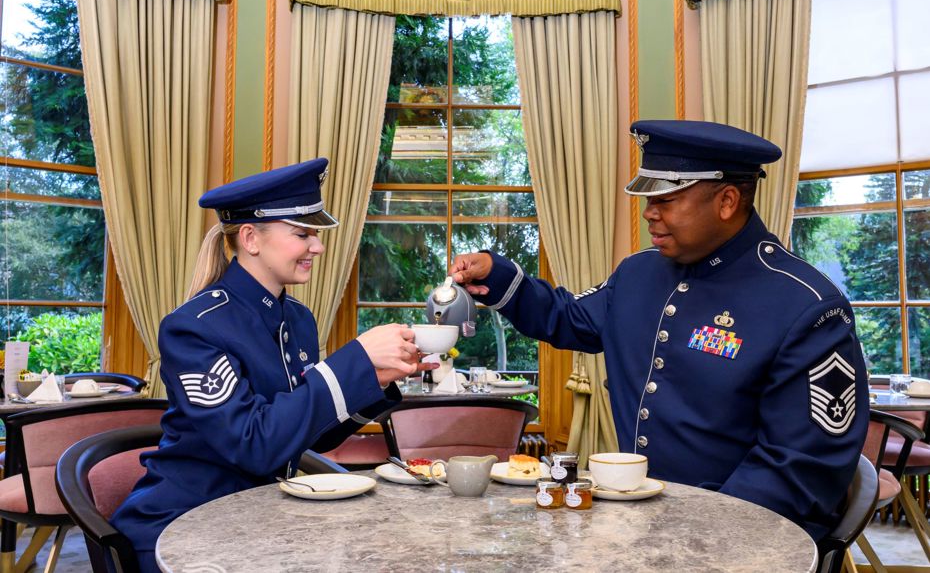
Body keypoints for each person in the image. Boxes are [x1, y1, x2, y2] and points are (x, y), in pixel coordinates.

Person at [450, 120, 868, 540]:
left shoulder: (807, 305)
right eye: (650, 197)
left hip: (745, 537)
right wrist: (499, 276)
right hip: (641, 528)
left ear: (726, 201)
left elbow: (798, 467)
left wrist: (698, 536)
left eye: (667, 199)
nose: (650, 211)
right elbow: (568, 318)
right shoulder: (638, 273)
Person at [111, 158, 426, 571]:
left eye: (315, 234)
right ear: (250, 239)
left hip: (262, 517)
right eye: (302, 234)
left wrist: (375, 378)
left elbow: (306, 434)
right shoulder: (192, 328)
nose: (318, 246)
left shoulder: (298, 318)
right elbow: (253, 444)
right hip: (187, 522)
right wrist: (354, 362)